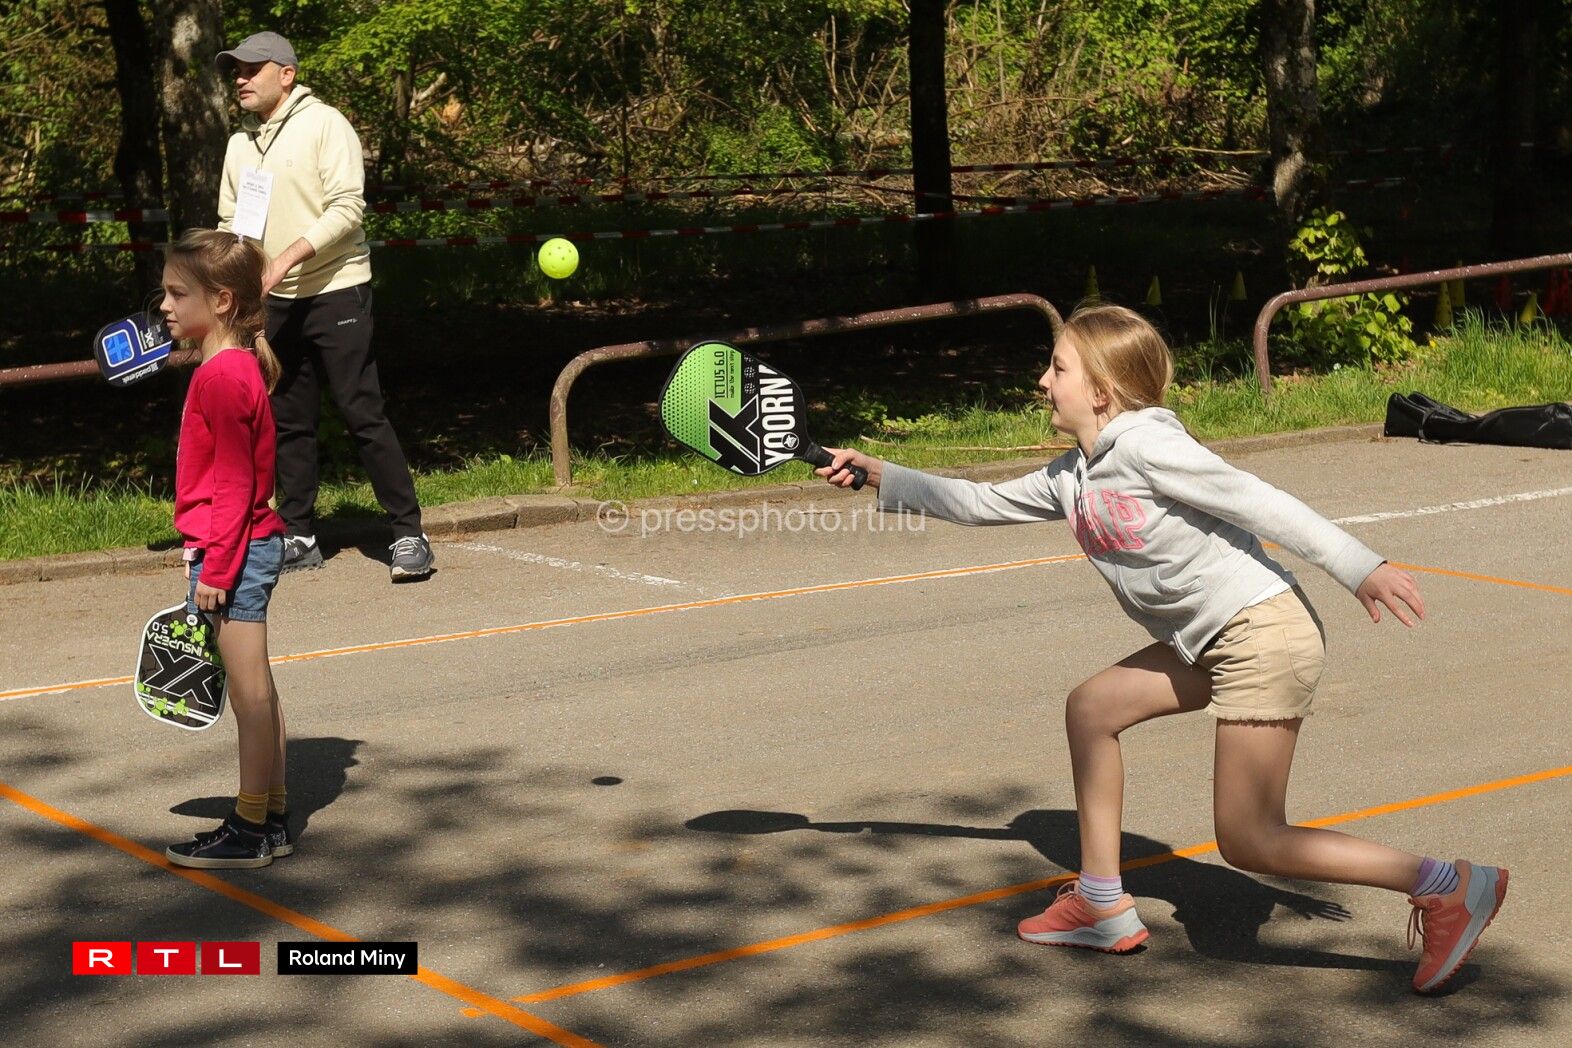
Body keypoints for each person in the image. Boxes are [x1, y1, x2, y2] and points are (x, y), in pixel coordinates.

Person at [815, 304, 1507, 994]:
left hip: (1260, 635)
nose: (1042, 381)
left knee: (1250, 839)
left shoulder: (1149, 447)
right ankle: (1100, 902)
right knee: (1093, 709)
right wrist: (879, 473)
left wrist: (1361, 567)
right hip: (1210, 639)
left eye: (1058, 368)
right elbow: (977, 502)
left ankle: (1448, 885)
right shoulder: (1073, 474)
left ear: (1101, 392)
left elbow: (1263, 502)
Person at [214, 31, 433, 581]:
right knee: (288, 419)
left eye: (252, 69)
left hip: (337, 287)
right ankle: (300, 534)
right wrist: (230, 279)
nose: (240, 79)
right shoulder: (240, 144)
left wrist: (284, 259)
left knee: (362, 411)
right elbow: (231, 223)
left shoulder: (325, 124)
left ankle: (408, 533)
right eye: (235, 70)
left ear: (286, 74)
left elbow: (347, 208)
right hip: (274, 297)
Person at [160, 229, 295, 869]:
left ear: (221, 301)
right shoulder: (232, 368)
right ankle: (273, 816)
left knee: (249, 694)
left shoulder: (222, 376)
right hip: (239, 546)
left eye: (176, 293)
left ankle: (249, 830)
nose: (165, 306)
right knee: (256, 687)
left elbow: (236, 486)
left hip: (236, 553)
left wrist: (215, 566)